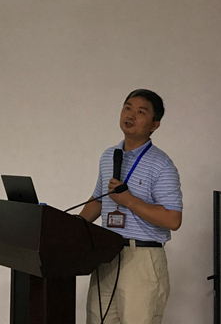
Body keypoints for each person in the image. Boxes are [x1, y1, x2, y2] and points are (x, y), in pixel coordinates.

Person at [79, 89, 183, 324]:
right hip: (106, 255)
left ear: (155, 124)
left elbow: (173, 219)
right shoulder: (109, 155)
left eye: (141, 112)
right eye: (127, 108)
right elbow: (99, 199)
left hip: (141, 259)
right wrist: (72, 226)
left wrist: (129, 201)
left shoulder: (161, 164)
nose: (131, 115)